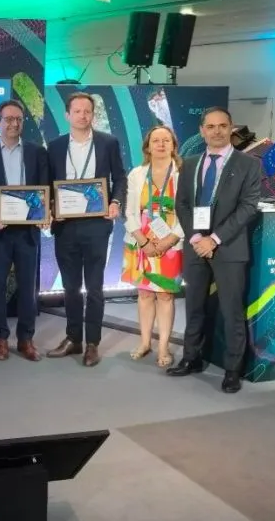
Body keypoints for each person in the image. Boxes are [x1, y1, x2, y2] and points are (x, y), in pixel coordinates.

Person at [169, 107, 261, 393]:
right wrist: (197, 237)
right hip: (196, 245)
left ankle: (233, 370)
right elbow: (182, 204)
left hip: (229, 248)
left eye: (223, 126)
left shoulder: (249, 164)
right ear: (202, 131)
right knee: (194, 306)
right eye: (211, 126)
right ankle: (191, 358)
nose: (217, 131)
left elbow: (248, 206)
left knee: (232, 310)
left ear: (231, 128)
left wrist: (215, 239)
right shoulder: (190, 163)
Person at [46, 92, 127, 367]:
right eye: (77, 111)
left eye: (87, 111)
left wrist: (116, 201)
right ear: (68, 115)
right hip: (65, 226)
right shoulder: (55, 147)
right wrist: (47, 208)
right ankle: (72, 338)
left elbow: (120, 177)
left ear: (93, 114)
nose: (83, 115)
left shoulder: (108, 143)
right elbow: (47, 185)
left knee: (94, 287)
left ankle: (92, 343)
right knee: (70, 288)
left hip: (96, 225)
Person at [0, 99, 49, 362]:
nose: (13, 124)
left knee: (29, 287)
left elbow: (43, 188)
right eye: (8, 119)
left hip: (27, 232)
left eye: (18, 119)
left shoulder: (36, 152)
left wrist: (43, 211)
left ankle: (26, 339)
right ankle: (1, 339)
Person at [121, 125, 184, 368]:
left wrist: (169, 240)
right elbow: (129, 211)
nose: (160, 144)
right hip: (140, 243)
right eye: (155, 140)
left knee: (165, 296)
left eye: (166, 140)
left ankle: (164, 347)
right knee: (145, 294)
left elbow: (187, 213)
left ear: (173, 145)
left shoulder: (182, 173)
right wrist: (143, 241)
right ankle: (145, 342)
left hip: (171, 243)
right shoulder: (137, 174)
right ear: (147, 146)